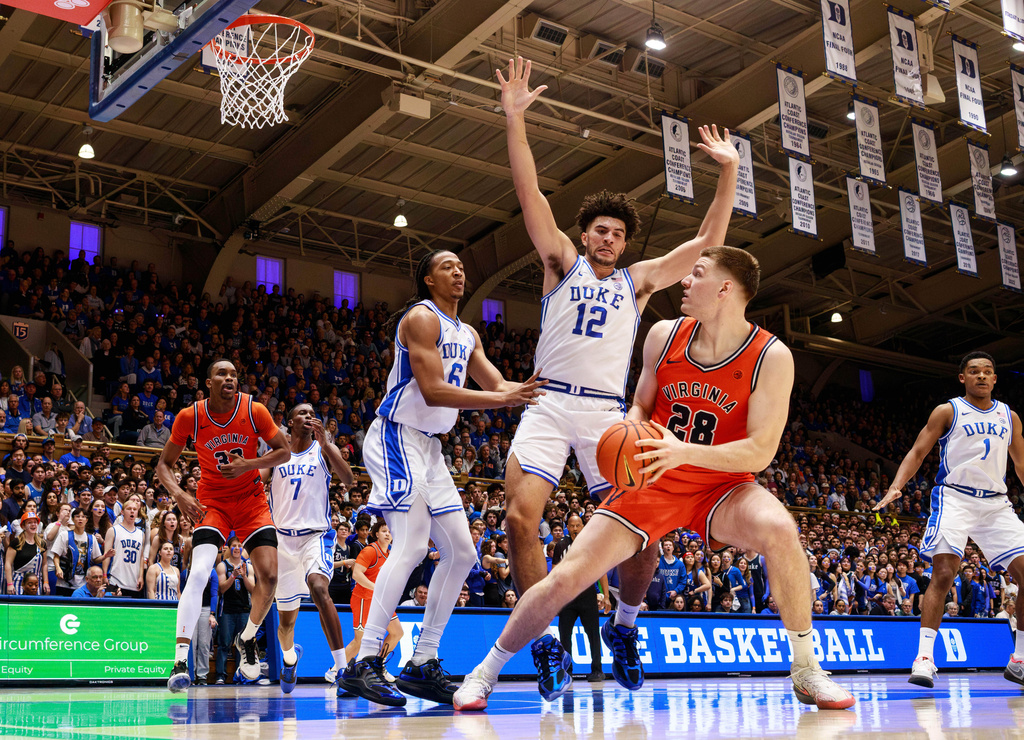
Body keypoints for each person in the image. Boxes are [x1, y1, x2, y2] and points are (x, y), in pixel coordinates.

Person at [454, 246, 854, 711]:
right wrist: (636, 436)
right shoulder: (663, 335)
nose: (685, 280)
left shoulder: (771, 355)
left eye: (697, 274)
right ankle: (484, 673)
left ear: (725, 288)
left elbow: (760, 451)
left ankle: (806, 669)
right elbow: (641, 405)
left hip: (720, 485)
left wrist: (683, 451)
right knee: (565, 578)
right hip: (653, 483)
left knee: (782, 530)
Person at [492, 56, 740, 696]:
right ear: (584, 235)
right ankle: (545, 644)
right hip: (548, 404)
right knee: (521, 519)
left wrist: (730, 173)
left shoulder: (638, 282)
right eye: (599, 230)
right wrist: (514, 119)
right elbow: (530, 195)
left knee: (644, 529)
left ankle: (625, 625)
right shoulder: (560, 265)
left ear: (626, 244)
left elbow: (710, 241)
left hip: (610, 415)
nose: (608, 239)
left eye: (617, 233)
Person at [340, 250, 543, 707]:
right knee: (411, 545)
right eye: (447, 266)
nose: (458, 271)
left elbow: (497, 384)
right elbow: (432, 392)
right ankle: (364, 662)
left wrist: (537, 390)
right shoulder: (420, 318)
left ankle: (422, 662)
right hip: (397, 435)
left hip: (429, 448)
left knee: (462, 551)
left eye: (461, 266)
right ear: (429, 279)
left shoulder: (467, 333)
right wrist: (506, 401)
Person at [873, 351, 1024, 689]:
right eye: (974, 372)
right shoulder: (948, 410)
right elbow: (917, 451)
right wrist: (897, 487)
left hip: (996, 503)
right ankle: (924, 658)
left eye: (987, 372)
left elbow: (1020, 463)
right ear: (962, 378)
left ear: (995, 379)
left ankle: (1020, 660)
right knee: (943, 572)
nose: (981, 377)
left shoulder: (1009, 417)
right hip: (955, 497)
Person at [156, 359, 292, 692]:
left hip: (251, 502)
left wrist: (251, 463)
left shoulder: (254, 409)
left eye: (234, 374)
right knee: (200, 571)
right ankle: (179, 660)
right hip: (212, 503)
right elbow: (164, 465)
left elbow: (284, 452)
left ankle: (247, 639)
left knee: (270, 576)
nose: (229, 378)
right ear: (208, 382)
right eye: (222, 373)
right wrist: (179, 495)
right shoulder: (191, 416)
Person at [264, 404, 355, 694]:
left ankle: (342, 669)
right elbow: (257, 479)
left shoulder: (322, 450)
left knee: (318, 587)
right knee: (286, 623)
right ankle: (290, 660)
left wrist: (327, 444)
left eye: (312, 412)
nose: (308, 415)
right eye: (301, 412)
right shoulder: (277, 453)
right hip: (281, 541)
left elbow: (350, 480)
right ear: (289, 422)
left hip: (315, 537)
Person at [343, 521, 404, 694]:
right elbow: (356, 574)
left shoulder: (391, 553)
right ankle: (336, 670)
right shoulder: (370, 550)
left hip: (381, 600)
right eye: (384, 531)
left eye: (390, 532)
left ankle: (378, 665)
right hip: (363, 598)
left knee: (397, 632)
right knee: (359, 641)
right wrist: (376, 588)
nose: (387, 534)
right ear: (376, 534)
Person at [553, 514, 606, 683]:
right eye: (572, 525)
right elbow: (554, 572)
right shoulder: (560, 546)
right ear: (567, 527)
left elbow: (602, 571)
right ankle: (567, 670)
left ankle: (597, 670)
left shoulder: (593, 545)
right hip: (567, 597)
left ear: (583, 526)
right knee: (564, 635)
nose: (575, 528)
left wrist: (606, 596)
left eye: (578, 525)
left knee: (593, 635)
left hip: (587, 596)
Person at [215, 537, 254, 684]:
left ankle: (241, 675)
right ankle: (220, 675)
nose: (237, 548)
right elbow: (221, 589)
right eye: (234, 546)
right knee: (224, 643)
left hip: (244, 609)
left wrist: (243, 576)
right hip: (227, 611)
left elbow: (253, 589)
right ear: (228, 548)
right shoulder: (222, 566)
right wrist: (233, 576)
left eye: (239, 546)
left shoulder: (249, 566)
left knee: (242, 645)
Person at [50, 507, 111, 596]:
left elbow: (96, 559)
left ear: (86, 520)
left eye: (83, 517)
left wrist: (105, 556)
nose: (80, 519)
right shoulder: (64, 535)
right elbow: (56, 556)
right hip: (64, 583)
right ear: (73, 519)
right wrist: (58, 568)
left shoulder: (91, 538)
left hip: (82, 585)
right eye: (77, 516)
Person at [103, 497, 145, 598]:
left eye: (135, 509)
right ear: (122, 511)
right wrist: (104, 575)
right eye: (129, 509)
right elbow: (106, 555)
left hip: (134, 583)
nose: (132, 511)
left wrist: (141, 576)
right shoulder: (113, 530)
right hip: (115, 580)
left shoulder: (141, 534)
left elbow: (141, 557)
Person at [5, 513, 48, 594]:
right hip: (18, 583)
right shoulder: (16, 542)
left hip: (36, 584)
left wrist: (46, 582)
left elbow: (44, 564)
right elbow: (8, 563)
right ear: (23, 526)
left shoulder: (42, 543)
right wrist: (9, 583)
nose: (33, 525)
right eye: (29, 523)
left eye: (35, 522)